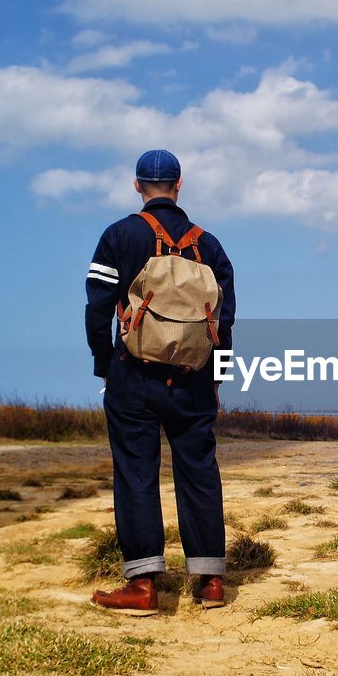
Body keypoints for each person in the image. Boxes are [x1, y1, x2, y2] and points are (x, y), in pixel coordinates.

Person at [83, 149, 236, 615]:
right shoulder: (209, 246)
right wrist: (217, 378)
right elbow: (224, 322)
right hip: (192, 380)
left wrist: (105, 364)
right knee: (199, 472)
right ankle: (210, 581)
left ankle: (144, 587)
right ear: (179, 184)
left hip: (134, 375)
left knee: (135, 473)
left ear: (137, 186)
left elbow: (96, 307)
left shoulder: (119, 235)